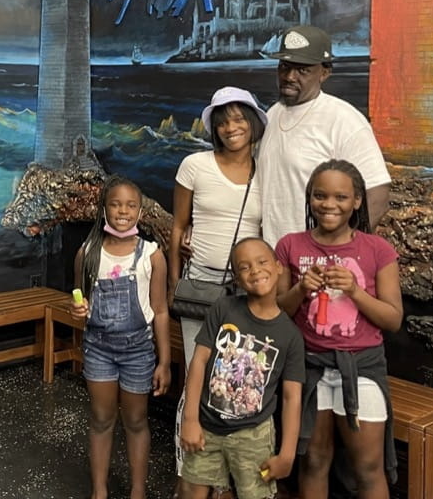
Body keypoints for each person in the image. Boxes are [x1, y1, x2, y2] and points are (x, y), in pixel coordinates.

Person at [274, 159, 402, 499]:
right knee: (314, 461)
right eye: (320, 196)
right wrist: (300, 289)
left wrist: (355, 291)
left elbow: (393, 319)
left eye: (341, 197)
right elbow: (277, 314)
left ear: (357, 201)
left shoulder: (378, 250)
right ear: (309, 198)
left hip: (361, 368)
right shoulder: (290, 245)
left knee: (367, 468)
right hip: (309, 367)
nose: (329, 204)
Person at [168, 86, 266, 494]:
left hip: (247, 294)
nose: (231, 127)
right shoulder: (195, 165)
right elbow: (178, 228)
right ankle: (189, 475)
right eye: (223, 121)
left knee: (236, 385)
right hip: (201, 287)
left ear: (254, 122)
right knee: (197, 380)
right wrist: (175, 283)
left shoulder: (267, 171)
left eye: (239, 118)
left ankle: (224, 481)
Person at [178, 237, 304, 499]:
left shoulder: (290, 335)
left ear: (278, 267)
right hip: (207, 426)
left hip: (254, 435)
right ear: (236, 278)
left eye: (262, 262)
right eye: (244, 267)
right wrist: (189, 420)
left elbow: (292, 397)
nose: (255, 270)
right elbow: (199, 361)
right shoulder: (224, 308)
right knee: (191, 490)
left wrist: (287, 454)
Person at [71, 175, 172, 499]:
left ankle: (138, 491)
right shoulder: (88, 252)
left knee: (136, 420)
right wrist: (78, 310)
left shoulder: (151, 255)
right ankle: (99, 491)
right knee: (101, 419)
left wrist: (164, 361)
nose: (123, 211)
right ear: (104, 209)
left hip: (138, 351)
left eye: (130, 205)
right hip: (98, 349)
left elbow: (160, 310)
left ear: (140, 211)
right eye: (115, 204)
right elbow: (79, 300)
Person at [257, 25, 391, 248]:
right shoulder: (272, 114)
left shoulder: (344, 120)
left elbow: (377, 193)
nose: (289, 77)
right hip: (273, 256)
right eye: (285, 67)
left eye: (303, 70)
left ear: (324, 73)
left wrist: (344, 251)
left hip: (319, 260)